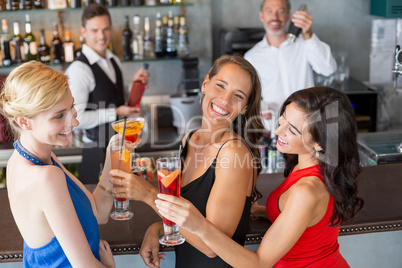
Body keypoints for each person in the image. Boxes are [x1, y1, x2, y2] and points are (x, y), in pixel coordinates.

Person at [155, 87, 365, 267]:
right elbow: (302, 220)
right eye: (281, 120)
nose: (277, 130)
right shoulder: (312, 168)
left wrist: (198, 224)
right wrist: (258, 211)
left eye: (291, 130)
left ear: (320, 143)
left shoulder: (306, 191)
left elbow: (258, 263)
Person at [109, 54, 265, 267]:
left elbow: (211, 247)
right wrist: (157, 227)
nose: (225, 100)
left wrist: (148, 194)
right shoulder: (190, 140)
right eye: (220, 86)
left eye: (238, 96)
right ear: (205, 84)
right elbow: (190, 219)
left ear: (245, 108)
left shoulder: (233, 154)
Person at [0, 61, 117, 267]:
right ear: (24, 121)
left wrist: (113, 155)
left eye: (71, 107)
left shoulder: (25, 159)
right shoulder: (46, 177)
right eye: (59, 116)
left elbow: (98, 212)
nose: (74, 122)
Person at [65, 3, 149, 184]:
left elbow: (114, 97)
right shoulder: (80, 69)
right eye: (94, 30)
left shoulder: (113, 60)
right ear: (83, 31)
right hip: (97, 152)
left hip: (120, 147)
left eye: (105, 29)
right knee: (100, 208)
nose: (101, 36)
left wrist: (134, 87)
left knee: (125, 206)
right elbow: (75, 119)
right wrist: (117, 112)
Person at [244, 0, 337, 130]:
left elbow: (329, 69)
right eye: (269, 11)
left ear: (289, 16)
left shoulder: (304, 43)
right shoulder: (251, 57)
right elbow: (250, 96)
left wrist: (308, 34)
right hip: (274, 127)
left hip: (308, 124)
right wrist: (258, 110)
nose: (275, 17)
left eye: (281, 11)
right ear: (262, 16)